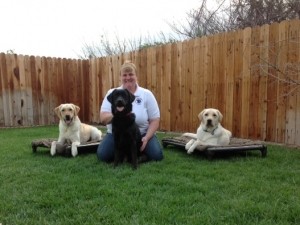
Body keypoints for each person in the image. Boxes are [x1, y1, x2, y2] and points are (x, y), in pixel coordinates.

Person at [97, 60, 163, 163]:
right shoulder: (112, 93)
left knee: (157, 155)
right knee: (103, 155)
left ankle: (139, 156)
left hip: (141, 134)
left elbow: (155, 120)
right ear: (120, 77)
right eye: (124, 75)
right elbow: (103, 118)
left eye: (131, 74)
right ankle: (126, 155)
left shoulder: (146, 94)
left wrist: (146, 138)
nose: (128, 77)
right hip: (116, 134)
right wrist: (118, 114)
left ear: (136, 76)